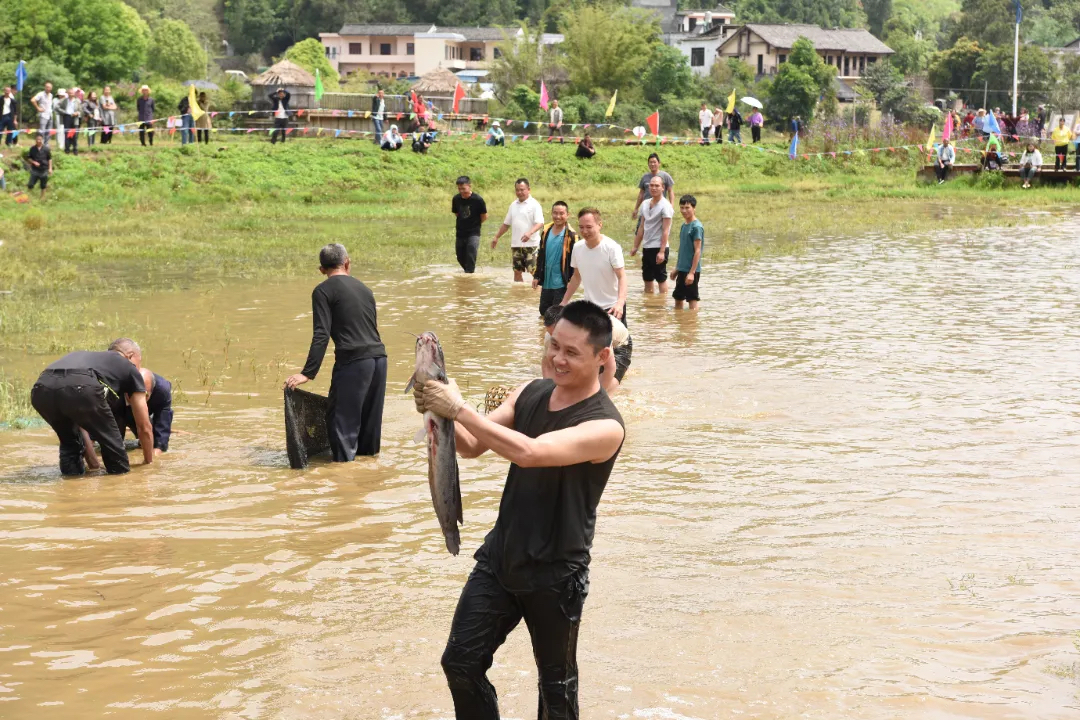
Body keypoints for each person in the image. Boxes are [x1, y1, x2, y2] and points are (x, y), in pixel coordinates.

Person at [413, 299, 625, 720]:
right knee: (460, 662)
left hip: (556, 573)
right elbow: (472, 446)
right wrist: (439, 409)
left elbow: (530, 453)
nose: (557, 358)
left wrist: (459, 409)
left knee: (556, 689)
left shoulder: (605, 425)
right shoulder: (530, 391)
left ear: (602, 356)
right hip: (500, 558)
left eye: (571, 352)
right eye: (553, 345)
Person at [284, 244, 387, 461]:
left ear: (322, 269)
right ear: (347, 263)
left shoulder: (323, 291)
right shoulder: (365, 289)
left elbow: (321, 334)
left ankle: (343, 475)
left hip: (354, 363)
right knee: (369, 429)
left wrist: (308, 373)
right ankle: (370, 472)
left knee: (342, 427)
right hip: (379, 360)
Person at [30, 339, 154, 476]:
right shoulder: (128, 367)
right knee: (113, 445)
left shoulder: (87, 359)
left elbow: (81, 423)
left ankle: (71, 484)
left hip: (41, 390)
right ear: (130, 356)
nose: (138, 368)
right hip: (80, 386)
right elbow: (144, 427)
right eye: (138, 363)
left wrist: (94, 465)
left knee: (70, 443)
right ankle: (119, 483)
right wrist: (149, 464)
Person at [560, 207, 628, 326]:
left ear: (599, 225)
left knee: (620, 338)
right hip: (590, 309)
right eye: (581, 227)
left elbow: (622, 277)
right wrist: (564, 302)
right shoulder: (577, 248)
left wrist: (620, 303)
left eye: (589, 227)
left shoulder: (612, 247)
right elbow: (576, 277)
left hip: (612, 307)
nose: (585, 231)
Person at [491, 177, 544, 282]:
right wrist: (496, 237)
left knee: (534, 272)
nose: (519, 192)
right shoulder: (513, 205)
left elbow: (540, 223)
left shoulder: (534, 204)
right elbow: (506, 224)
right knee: (517, 272)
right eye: (517, 190)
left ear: (528, 189)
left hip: (532, 245)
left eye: (522, 190)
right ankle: (519, 292)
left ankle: (539, 292)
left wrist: (529, 233)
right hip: (516, 245)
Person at [532, 200, 578, 316]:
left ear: (567, 215)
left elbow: (576, 261)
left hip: (562, 283)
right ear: (551, 213)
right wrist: (537, 276)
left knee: (557, 314)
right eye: (555, 213)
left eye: (561, 213)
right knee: (543, 311)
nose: (558, 216)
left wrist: (571, 280)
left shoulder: (571, 235)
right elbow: (541, 254)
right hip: (547, 282)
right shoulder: (546, 231)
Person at [631, 175, 673, 295]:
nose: (653, 188)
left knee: (661, 277)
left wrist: (662, 251)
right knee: (647, 277)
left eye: (657, 186)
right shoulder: (645, 203)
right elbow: (642, 227)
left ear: (663, 188)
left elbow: (666, 230)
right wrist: (635, 246)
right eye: (651, 185)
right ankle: (649, 302)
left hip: (659, 247)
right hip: (647, 246)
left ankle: (662, 302)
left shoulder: (666, 206)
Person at [671, 194, 703, 310]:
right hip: (682, 269)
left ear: (694, 208)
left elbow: (697, 251)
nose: (684, 211)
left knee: (692, 299)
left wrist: (692, 273)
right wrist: (677, 268)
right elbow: (683, 249)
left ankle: (692, 320)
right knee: (678, 298)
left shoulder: (696, 227)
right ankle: (680, 320)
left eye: (687, 207)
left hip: (691, 270)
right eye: (682, 207)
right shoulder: (684, 225)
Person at [452, 176, 488, 274]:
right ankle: (468, 272)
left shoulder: (478, 200)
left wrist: (475, 225)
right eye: (459, 189)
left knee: (471, 253)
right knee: (460, 256)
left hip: (473, 232)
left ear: (469, 186)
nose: (461, 191)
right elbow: (457, 213)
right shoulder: (456, 199)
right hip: (460, 232)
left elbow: (484, 216)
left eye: (463, 188)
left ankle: (469, 275)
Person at [631, 153, 674, 221]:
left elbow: (670, 191)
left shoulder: (665, 176)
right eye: (650, 162)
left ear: (659, 163)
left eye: (654, 162)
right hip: (646, 208)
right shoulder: (645, 177)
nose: (652, 164)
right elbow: (641, 194)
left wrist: (671, 206)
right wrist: (636, 208)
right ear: (648, 164)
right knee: (642, 225)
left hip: (659, 208)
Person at [25, 133, 52, 199]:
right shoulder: (32, 149)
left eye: (40, 139)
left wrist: (50, 168)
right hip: (35, 169)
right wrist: (34, 162)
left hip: (44, 169)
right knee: (30, 184)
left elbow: (50, 159)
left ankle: (42, 197)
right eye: (37, 139)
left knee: (43, 185)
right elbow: (29, 158)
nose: (38, 141)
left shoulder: (46, 149)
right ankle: (29, 197)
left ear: (42, 140)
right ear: (35, 140)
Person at [32, 82, 54, 148]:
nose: (48, 88)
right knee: (42, 131)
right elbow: (33, 100)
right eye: (47, 87)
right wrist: (38, 108)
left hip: (50, 115)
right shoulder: (41, 94)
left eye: (50, 87)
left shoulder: (51, 95)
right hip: (43, 115)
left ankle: (46, 145)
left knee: (49, 131)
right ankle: (40, 144)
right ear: (45, 87)